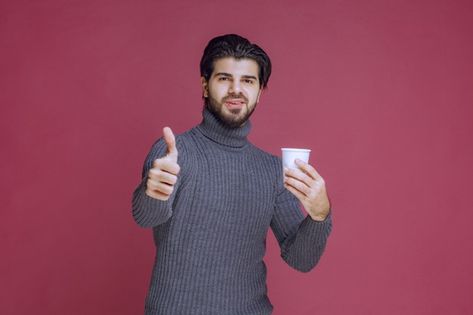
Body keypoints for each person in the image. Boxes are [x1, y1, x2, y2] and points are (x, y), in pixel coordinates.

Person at [131, 34, 333, 315]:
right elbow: (147, 216)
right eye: (224, 78)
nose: (236, 90)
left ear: (260, 91)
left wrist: (320, 215)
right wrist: (152, 192)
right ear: (205, 85)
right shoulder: (174, 152)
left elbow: (301, 259)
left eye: (248, 81)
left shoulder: (272, 170)